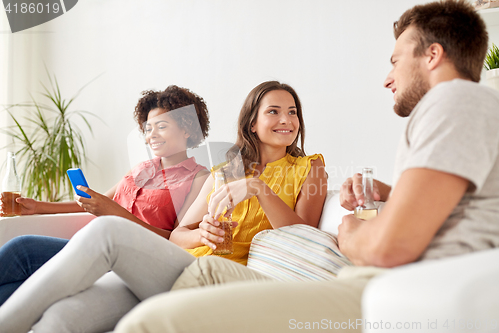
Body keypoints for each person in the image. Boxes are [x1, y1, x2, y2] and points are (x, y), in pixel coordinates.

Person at [109, 1, 499, 332]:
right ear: (252, 122)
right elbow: (448, 209)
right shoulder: (460, 108)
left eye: (396, 60)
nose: (387, 78)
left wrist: (348, 233)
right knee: (176, 279)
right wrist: (385, 194)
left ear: (432, 56)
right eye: (273, 112)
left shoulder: (455, 103)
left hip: (388, 289)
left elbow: (388, 247)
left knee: (149, 319)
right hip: (376, 281)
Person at [0, 80, 328, 333]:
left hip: (216, 277)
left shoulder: (309, 168)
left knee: (105, 231)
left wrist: (257, 187)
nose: (287, 119)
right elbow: (179, 234)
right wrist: (204, 236)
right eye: (274, 111)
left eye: (293, 111)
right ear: (252, 123)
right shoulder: (226, 171)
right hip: (177, 265)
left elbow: (301, 236)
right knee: (61, 319)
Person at [0, 86, 210, 307]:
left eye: (162, 126)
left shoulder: (199, 179)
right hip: (94, 245)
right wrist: (37, 207)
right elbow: (95, 203)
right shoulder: (142, 168)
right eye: (148, 128)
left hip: (132, 259)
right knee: (14, 288)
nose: (152, 135)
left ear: (187, 129)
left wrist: (115, 213)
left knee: (23, 250)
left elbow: (176, 240)